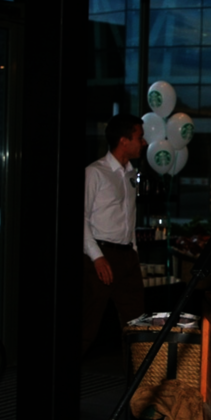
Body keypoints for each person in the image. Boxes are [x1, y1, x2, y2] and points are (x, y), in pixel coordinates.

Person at [82, 113, 146, 355]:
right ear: (123, 141)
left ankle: (138, 376)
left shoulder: (130, 174)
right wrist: (97, 257)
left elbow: (129, 218)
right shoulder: (94, 172)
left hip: (127, 256)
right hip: (101, 255)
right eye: (139, 137)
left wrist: (134, 253)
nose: (144, 142)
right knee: (87, 325)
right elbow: (81, 218)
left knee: (137, 324)